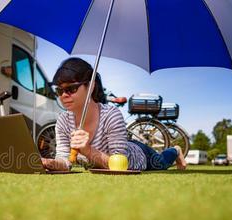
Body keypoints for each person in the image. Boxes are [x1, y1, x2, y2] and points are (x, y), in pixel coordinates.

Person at [41, 57, 187, 172]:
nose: (64, 95)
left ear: (91, 86)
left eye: (71, 89)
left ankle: (175, 150)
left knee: (161, 163)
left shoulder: (111, 115)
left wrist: (87, 150)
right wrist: (51, 163)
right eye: (59, 90)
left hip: (137, 156)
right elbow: (64, 160)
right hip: (113, 153)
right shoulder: (63, 121)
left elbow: (119, 165)